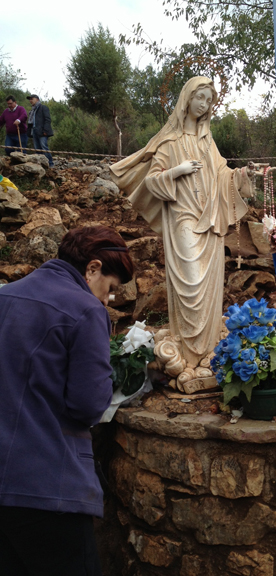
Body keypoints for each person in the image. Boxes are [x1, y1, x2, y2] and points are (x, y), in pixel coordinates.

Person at [0, 225, 134, 576]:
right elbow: (88, 405)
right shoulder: (85, 310)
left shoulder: (5, 296)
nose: (107, 300)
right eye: (110, 288)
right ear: (92, 268)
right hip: (47, 486)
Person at [110, 76, 255, 369]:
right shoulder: (170, 141)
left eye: (209, 100)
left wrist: (241, 175)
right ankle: (187, 353)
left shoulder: (208, 142)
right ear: (187, 98)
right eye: (200, 97)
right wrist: (178, 170)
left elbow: (223, 175)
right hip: (183, 218)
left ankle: (207, 351)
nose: (204, 104)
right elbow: (152, 181)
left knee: (208, 286)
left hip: (209, 220)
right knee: (191, 281)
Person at [27, 94, 54, 166]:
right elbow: (31, 122)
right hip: (34, 131)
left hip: (42, 131)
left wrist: (45, 130)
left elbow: (47, 119)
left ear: (37, 99)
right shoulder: (32, 110)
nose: (30, 100)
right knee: (37, 148)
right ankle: (41, 164)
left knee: (44, 147)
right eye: (30, 99)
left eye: (32, 99)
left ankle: (50, 163)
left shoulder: (43, 107)